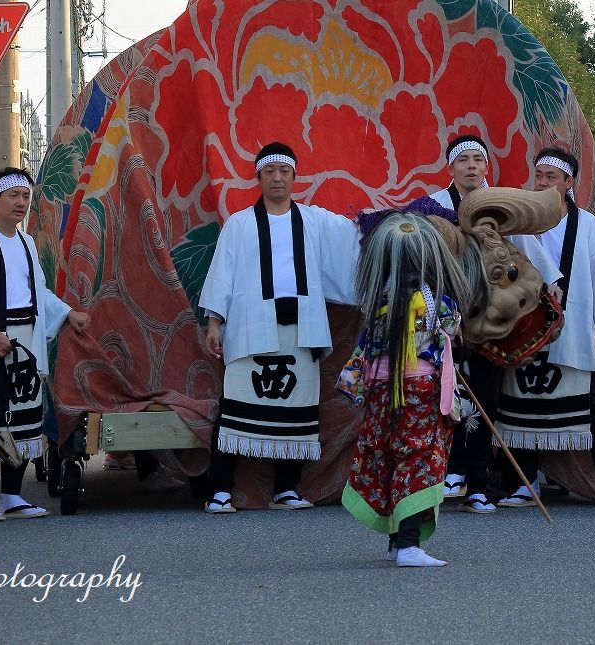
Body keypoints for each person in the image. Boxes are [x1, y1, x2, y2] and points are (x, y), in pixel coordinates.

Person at [199, 142, 358, 513]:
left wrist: (389, 225)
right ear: (258, 178)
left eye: (284, 171)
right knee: (235, 407)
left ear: (294, 177)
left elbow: (354, 239)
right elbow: (222, 275)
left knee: (298, 406)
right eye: (269, 172)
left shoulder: (316, 221)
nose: (277, 178)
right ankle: (220, 490)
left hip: (302, 327)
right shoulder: (239, 224)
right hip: (252, 328)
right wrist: (213, 323)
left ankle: (287, 488)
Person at [427, 135, 561, 510]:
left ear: (486, 167)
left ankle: (479, 484)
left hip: (490, 316)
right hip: (447, 314)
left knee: (486, 394)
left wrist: (551, 283)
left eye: (477, 160)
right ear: (450, 168)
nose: (471, 166)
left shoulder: (502, 202)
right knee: (448, 394)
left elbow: (528, 249)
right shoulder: (433, 206)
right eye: (463, 160)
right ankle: (447, 471)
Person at [496, 148, 595, 510]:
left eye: (551, 177)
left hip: (573, 327)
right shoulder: (520, 219)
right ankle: (527, 484)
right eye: (538, 175)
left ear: (569, 182)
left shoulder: (586, 224)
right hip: (526, 325)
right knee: (521, 407)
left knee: (591, 408)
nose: (542, 182)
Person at [0, 168, 89, 522]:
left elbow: (38, 292)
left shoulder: (27, 243)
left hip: (25, 337)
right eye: (13, 195)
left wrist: (67, 312)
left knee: (25, 417)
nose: (21, 203)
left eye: (26, 196)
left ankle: (12, 495)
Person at [338, 211, 466, 567]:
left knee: (392, 456)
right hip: (421, 388)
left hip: (381, 389)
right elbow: (451, 330)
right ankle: (408, 545)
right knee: (418, 458)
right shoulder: (437, 301)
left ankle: (398, 541)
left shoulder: (381, 299)